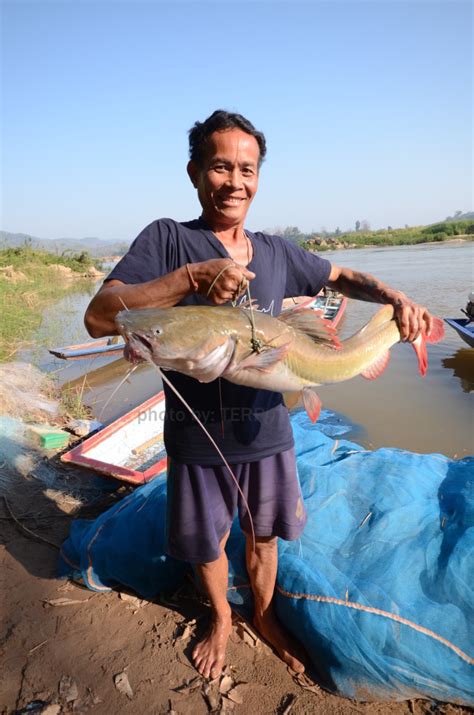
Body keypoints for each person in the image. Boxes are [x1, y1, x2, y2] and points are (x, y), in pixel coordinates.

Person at [84, 109, 434, 679]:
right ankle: (222, 616)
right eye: (220, 167)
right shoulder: (167, 239)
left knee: (265, 538)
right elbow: (101, 317)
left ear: (258, 177)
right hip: (196, 439)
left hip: (268, 433)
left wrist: (395, 298)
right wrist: (190, 280)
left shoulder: (276, 252)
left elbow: (339, 276)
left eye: (247, 169)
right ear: (195, 172)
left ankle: (265, 617)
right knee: (204, 542)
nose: (235, 181)